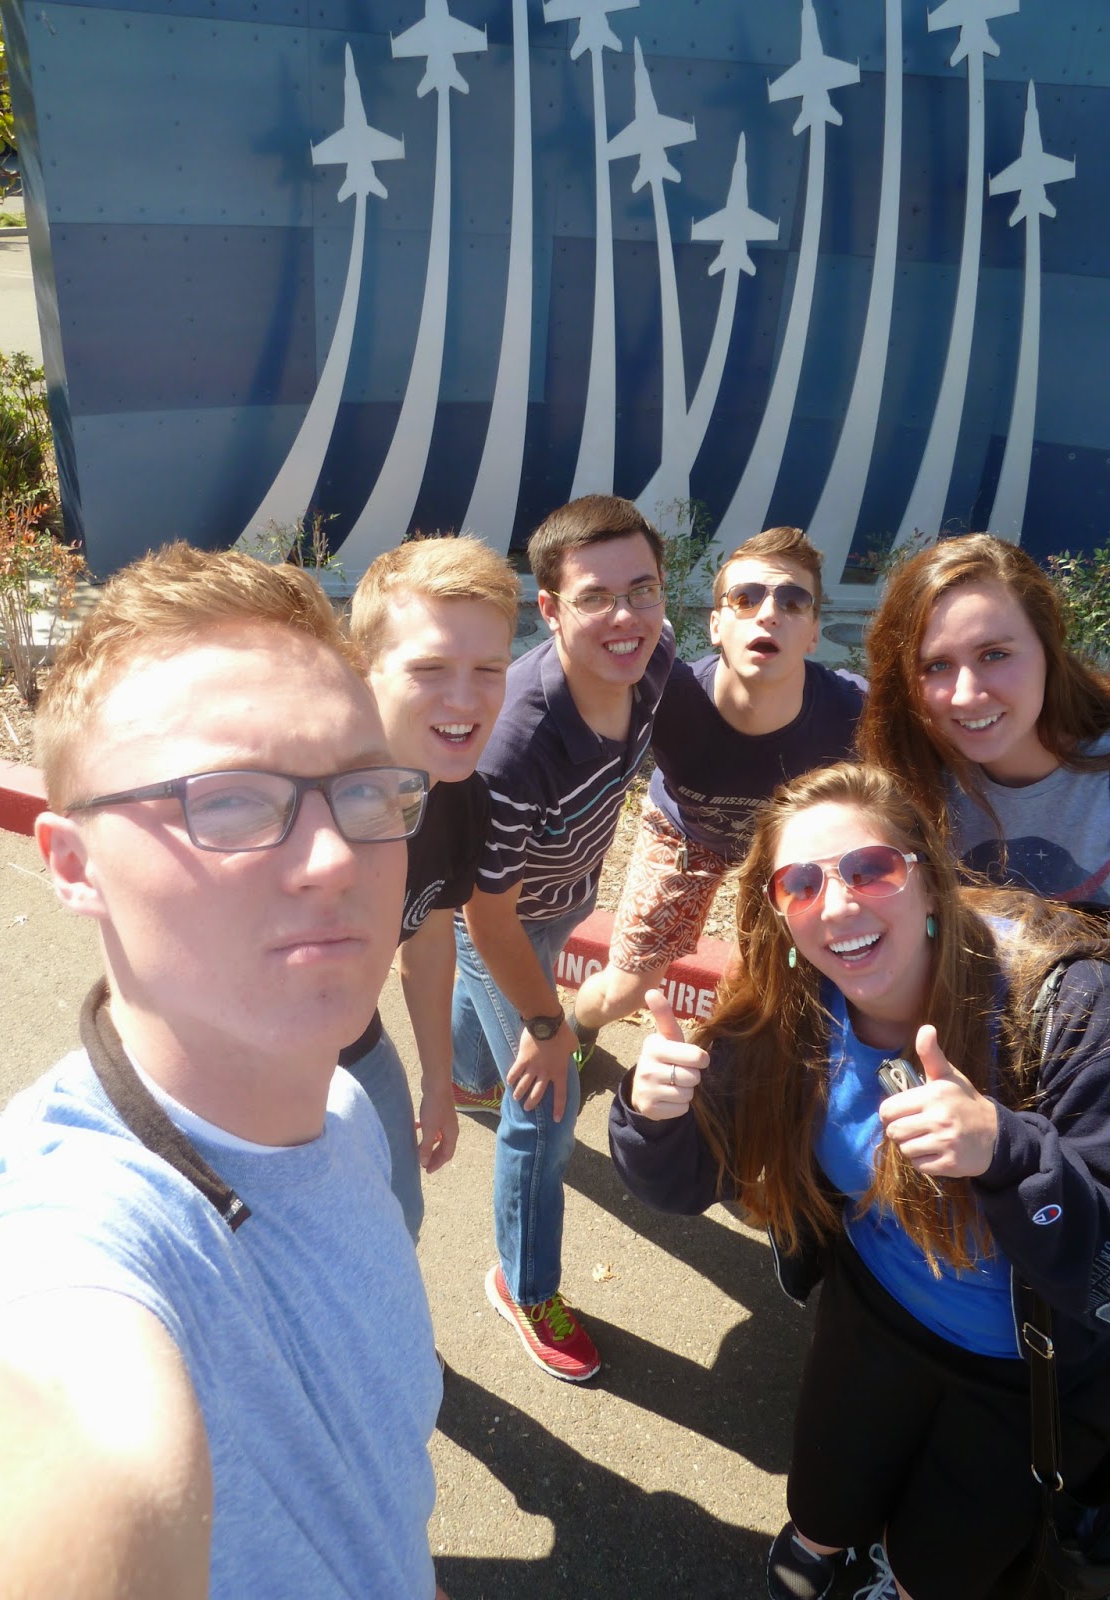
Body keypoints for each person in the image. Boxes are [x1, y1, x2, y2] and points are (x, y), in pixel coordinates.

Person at [0, 545, 446, 1600]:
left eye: (363, 791)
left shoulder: (344, 1112)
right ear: (73, 865)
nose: (336, 857)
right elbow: (45, 1439)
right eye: (230, 801)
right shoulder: (66, 1246)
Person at [609, 761, 1110, 1600]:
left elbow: (1102, 1266)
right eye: (800, 884)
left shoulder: (1064, 1005)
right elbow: (679, 1187)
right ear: (777, 912)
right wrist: (653, 1114)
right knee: (825, 1489)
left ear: (929, 877)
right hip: (871, 1309)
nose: (837, 906)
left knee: (942, 1561)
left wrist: (1006, 1152)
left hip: (1027, 1367)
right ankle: (823, 1543)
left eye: (870, 869)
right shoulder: (788, 1008)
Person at [452, 493, 675, 1381]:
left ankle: (469, 1074)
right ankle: (524, 1283)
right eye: (596, 598)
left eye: (643, 589)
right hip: (497, 920)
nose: (627, 618)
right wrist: (549, 1030)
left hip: (559, 894)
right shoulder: (516, 748)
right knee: (546, 1105)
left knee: (498, 1034)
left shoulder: (653, 661)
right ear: (549, 607)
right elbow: (486, 920)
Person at [572, 525, 864, 1047]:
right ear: (715, 624)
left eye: (794, 601)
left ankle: (730, 1070)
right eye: (745, 598)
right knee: (626, 991)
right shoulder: (668, 693)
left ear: (814, 632)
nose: (768, 613)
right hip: (684, 833)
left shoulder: (855, 712)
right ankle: (578, 1032)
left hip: (788, 854)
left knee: (770, 986)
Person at [343, 535, 518, 1241]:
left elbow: (429, 931)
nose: (464, 699)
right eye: (430, 668)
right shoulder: (305, 802)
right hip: (237, 1059)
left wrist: (437, 1082)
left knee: (398, 1217)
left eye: (489, 669)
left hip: (354, 1038)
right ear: (364, 669)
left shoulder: (460, 796)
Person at [860, 532, 1110, 904]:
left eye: (994, 655)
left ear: (1049, 650)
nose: (967, 695)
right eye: (937, 665)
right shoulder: (911, 783)